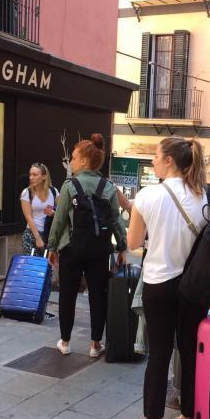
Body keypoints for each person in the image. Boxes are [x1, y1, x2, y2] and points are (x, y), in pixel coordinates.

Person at [127, 136, 210, 419]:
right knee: (191, 353)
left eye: (155, 155)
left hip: (159, 284)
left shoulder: (148, 196)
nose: (152, 161)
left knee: (159, 353)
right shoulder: (209, 200)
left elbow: (133, 243)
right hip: (195, 288)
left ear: (168, 160)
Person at [47, 134, 127, 358]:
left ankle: (65, 342)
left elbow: (59, 219)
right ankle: (94, 344)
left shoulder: (69, 186)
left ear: (83, 161)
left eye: (73, 158)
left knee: (68, 295)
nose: (71, 162)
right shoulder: (108, 187)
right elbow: (116, 220)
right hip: (99, 250)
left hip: (71, 248)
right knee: (98, 296)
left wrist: (52, 247)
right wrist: (122, 247)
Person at [21, 163, 58, 256]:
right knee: (33, 264)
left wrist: (54, 213)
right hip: (32, 234)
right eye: (30, 174)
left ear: (44, 177)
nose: (31, 178)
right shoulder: (27, 192)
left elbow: (61, 210)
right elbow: (28, 217)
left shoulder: (53, 191)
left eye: (35, 175)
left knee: (47, 264)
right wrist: (37, 238)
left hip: (49, 235)